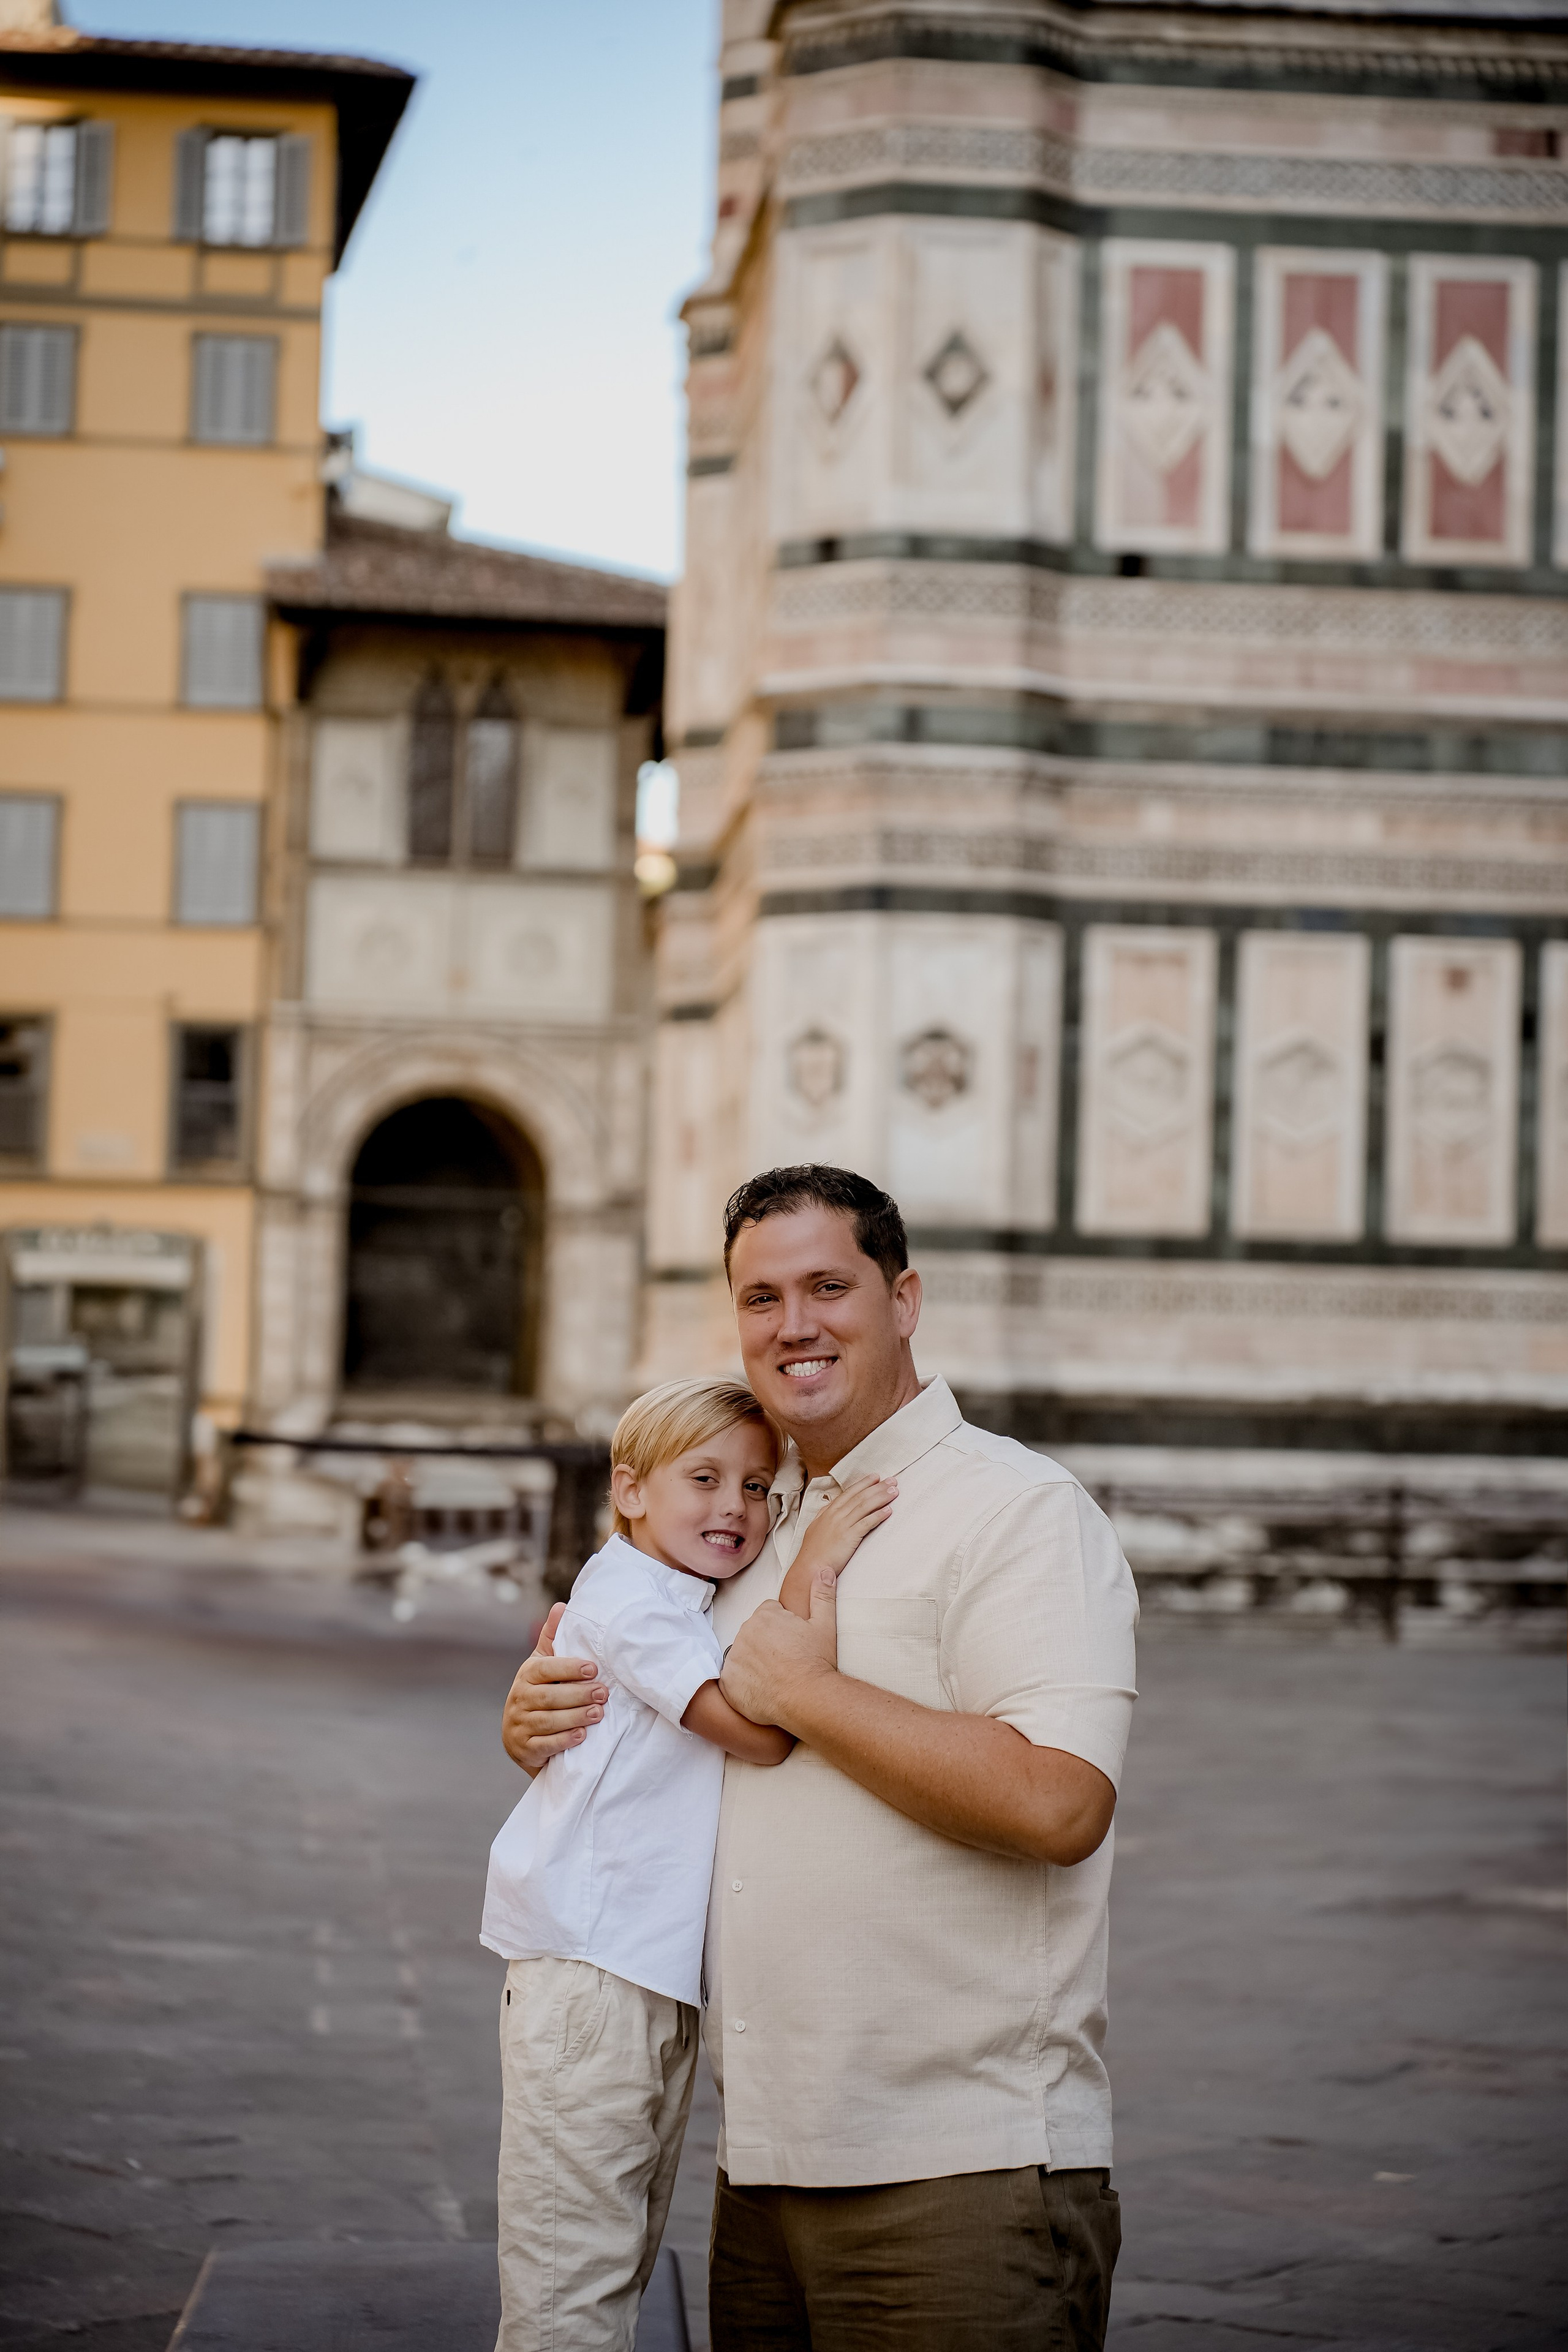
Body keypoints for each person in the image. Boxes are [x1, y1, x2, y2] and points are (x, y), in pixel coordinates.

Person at [505, 1164, 1140, 2351]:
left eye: (827, 1287)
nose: (792, 1325)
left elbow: (1060, 1804)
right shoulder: (743, 1514)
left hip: (960, 2166)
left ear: (902, 1300)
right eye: (759, 1298)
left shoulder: (1018, 1512)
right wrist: (540, 1712)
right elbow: (649, 1686)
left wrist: (811, 1694)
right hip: (758, 2171)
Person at [483, 1374, 892, 2352]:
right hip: (593, 1974)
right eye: (703, 1479)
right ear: (630, 1490)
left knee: (612, 2267)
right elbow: (757, 1730)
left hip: (646, 1974)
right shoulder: (625, 1592)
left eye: (758, 1490)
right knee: (565, 2286)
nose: (733, 1508)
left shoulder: (682, 1593)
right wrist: (817, 1568)